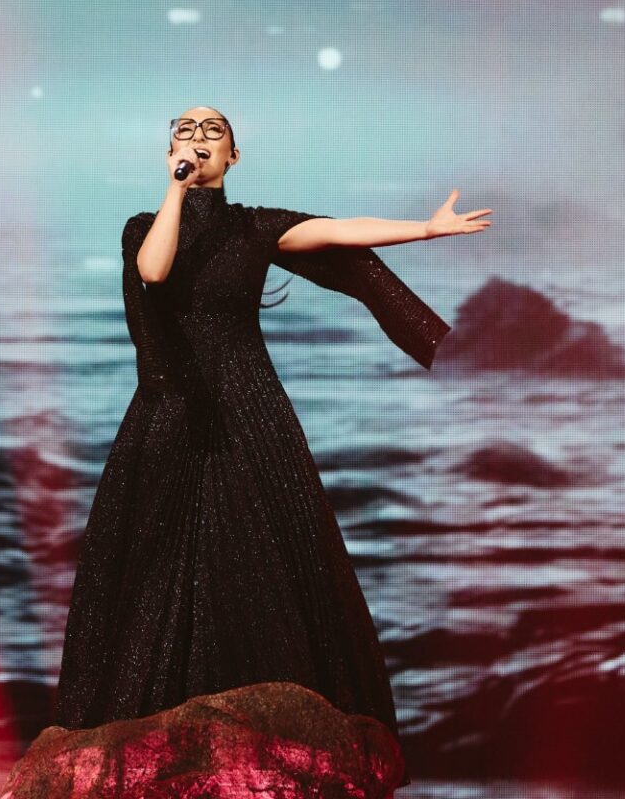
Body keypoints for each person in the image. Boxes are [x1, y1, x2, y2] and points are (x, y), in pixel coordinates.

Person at [46, 105, 491, 781]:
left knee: (263, 547)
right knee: (156, 554)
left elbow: (338, 231)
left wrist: (425, 229)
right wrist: (176, 188)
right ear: (170, 152)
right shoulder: (144, 224)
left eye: (212, 132)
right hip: (170, 405)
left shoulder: (255, 227)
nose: (197, 138)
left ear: (234, 156)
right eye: (185, 131)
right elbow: (155, 272)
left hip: (248, 400)